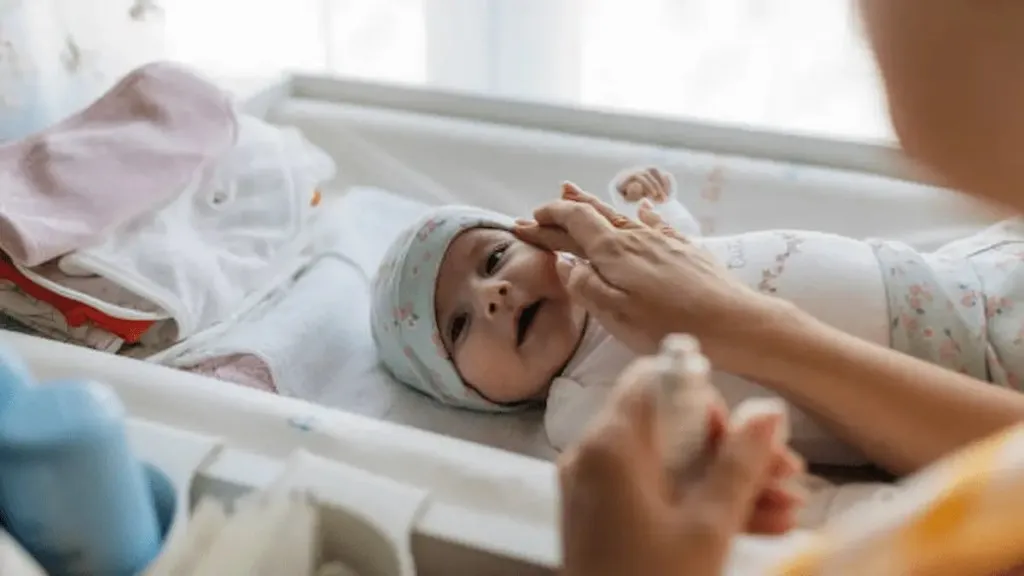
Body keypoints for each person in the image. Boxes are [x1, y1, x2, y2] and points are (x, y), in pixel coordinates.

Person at [545, 1, 1024, 574]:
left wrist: (742, 322)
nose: (493, 294)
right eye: (458, 324)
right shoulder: (589, 404)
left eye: (497, 255)